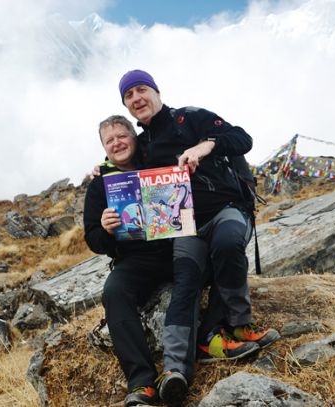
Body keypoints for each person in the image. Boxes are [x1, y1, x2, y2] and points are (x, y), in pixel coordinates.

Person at [118, 69, 280, 404]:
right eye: (129, 95)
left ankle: (238, 325)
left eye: (141, 89)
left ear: (156, 92)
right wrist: (100, 170)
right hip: (184, 224)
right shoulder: (142, 145)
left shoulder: (191, 118)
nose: (137, 98)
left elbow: (242, 139)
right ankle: (177, 370)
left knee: (228, 242)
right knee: (185, 279)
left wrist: (205, 146)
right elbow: (121, 169)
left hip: (226, 208)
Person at [83, 115, 172, 406]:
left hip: (175, 250)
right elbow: (93, 239)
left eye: (122, 136)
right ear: (104, 149)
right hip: (135, 261)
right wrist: (107, 230)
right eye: (109, 140)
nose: (117, 143)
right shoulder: (99, 185)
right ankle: (142, 382)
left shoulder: (157, 160)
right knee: (114, 292)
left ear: (134, 137)